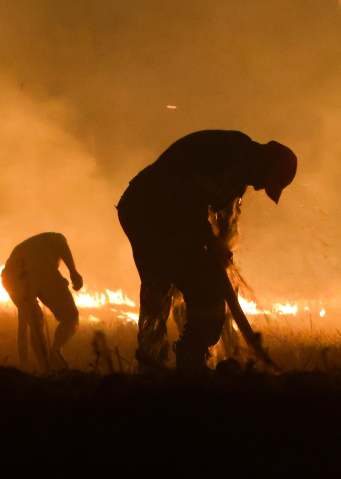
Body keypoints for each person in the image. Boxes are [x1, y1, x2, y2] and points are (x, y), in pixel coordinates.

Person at [117, 130, 297, 370]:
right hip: (148, 210)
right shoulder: (230, 155)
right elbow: (189, 202)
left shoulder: (243, 168)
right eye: (265, 181)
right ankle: (169, 363)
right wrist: (211, 244)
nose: (258, 187)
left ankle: (169, 361)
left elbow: (226, 214)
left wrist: (222, 246)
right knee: (179, 284)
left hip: (163, 212)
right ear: (265, 164)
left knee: (197, 280)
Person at [1, 232, 84, 370]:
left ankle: (45, 368)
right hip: (38, 267)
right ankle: (56, 352)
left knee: (35, 322)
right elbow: (61, 245)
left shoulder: (31, 246)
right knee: (71, 317)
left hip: (11, 275)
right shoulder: (56, 238)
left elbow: (38, 277)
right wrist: (73, 272)